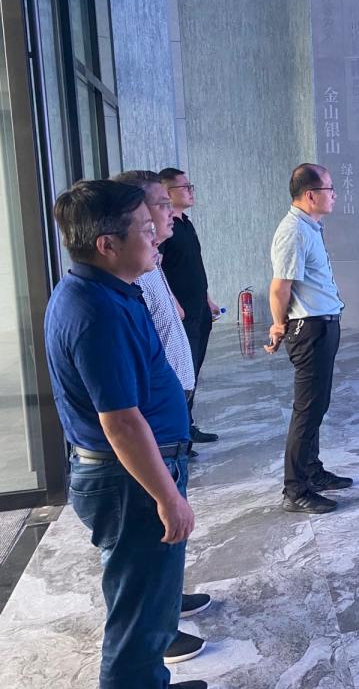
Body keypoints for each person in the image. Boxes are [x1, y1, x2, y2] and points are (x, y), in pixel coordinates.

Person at [43, 179, 205, 689]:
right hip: (129, 482)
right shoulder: (95, 312)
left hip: (132, 475)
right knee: (137, 620)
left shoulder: (106, 291)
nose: (157, 235)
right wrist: (168, 497)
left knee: (148, 607)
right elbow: (121, 422)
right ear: (107, 244)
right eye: (144, 229)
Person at [112, 171, 212, 666]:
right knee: (151, 531)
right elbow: (120, 414)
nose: (169, 213)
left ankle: (167, 603)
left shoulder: (149, 262)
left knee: (164, 538)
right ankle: (156, 633)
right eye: (159, 205)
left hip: (169, 414)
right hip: (151, 422)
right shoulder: (113, 290)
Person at [266, 163, 352, 514]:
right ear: (311, 195)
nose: (334, 195)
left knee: (317, 405)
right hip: (309, 328)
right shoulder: (294, 231)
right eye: (330, 189)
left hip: (323, 323)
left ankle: (312, 471)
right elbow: (279, 287)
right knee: (307, 409)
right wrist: (277, 325)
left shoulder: (309, 227)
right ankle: (295, 488)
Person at [158, 167, 219, 448]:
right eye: (184, 187)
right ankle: (179, 436)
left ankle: (188, 426)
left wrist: (207, 299)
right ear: (167, 193)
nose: (190, 191)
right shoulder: (164, 228)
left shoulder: (185, 223)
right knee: (182, 373)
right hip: (181, 313)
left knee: (194, 371)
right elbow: (158, 270)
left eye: (190, 186)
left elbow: (193, 267)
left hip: (199, 309)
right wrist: (173, 303)